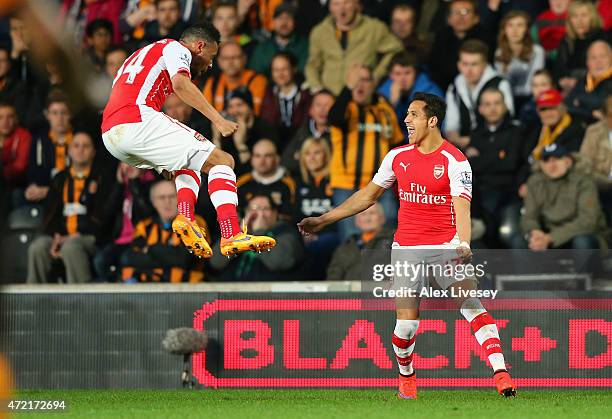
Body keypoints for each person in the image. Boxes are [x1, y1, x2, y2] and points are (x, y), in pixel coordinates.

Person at [298, 93, 516, 399]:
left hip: (446, 244)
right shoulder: (397, 157)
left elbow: (462, 207)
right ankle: (407, 377)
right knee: (407, 326)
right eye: (408, 115)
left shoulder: (455, 160)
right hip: (407, 248)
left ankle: (501, 374)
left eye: (413, 115)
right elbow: (367, 196)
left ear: (432, 120)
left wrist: (463, 243)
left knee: (471, 305)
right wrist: (324, 220)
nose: (406, 120)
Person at [101, 22, 275, 259]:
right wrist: (218, 119)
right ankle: (231, 232)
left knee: (189, 162)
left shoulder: (136, 57)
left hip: (111, 135)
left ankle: (185, 217)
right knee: (223, 160)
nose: (210, 65)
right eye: (211, 57)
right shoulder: (176, 48)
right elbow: (181, 84)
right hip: (137, 120)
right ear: (199, 46)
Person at [327, 64, 404, 239]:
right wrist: (347, 88)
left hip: (379, 185)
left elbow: (397, 144)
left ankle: (384, 267)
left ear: (373, 83)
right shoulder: (346, 107)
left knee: (388, 235)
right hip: (346, 185)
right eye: (355, 81)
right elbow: (334, 118)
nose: (359, 85)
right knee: (350, 238)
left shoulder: (385, 109)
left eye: (364, 80)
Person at [27, 131, 109, 284]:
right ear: (70, 151)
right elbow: (50, 214)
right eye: (76, 145)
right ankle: (35, 302)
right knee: (38, 247)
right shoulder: (60, 179)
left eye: (86, 146)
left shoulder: (102, 178)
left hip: (90, 237)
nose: (80, 150)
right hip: (61, 235)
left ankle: (79, 302)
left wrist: (73, 236)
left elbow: (104, 217)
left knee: (71, 247)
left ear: (93, 152)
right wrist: (56, 237)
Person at [465, 88, 526, 248]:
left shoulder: (517, 132)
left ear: (505, 106)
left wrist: (480, 159)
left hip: (508, 195)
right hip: (480, 197)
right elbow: (469, 165)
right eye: (488, 104)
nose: (493, 108)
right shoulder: (476, 133)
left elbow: (510, 163)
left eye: (497, 103)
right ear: (481, 109)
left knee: (510, 234)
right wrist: (498, 156)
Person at [518, 143, 606, 250]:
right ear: (540, 164)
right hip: (546, 233)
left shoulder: (583, 182)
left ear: (568, 161)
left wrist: (551, 238)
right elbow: (529, 216)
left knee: (583, 242)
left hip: (578, 234)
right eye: (546, 161)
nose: (551, 165)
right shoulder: (535, 182)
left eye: (556, 159)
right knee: (519, 241)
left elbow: (588, 221)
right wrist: (534, 232)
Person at [304, 0, 403, 95]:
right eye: (336, 3)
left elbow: (396, 49)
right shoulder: (320, 31)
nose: (342, 9)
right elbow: (313, 64)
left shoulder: (374, 28)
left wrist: (376, 75)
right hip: (329, 97)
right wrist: (317, 89)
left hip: (360, 95)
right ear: (330, 7)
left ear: (356, 4)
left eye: (346, 2)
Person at [119, 180, 207, 283]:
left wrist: (149, 250)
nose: (167, 202)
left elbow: (184, 259)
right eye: (162, 198)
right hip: (150, 290)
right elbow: (130, 259)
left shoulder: (194, 223)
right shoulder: (145, 226)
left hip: (188, 290)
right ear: (153, 202)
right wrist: (167, 255)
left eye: (172, 196)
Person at [209, 193, 304, 281]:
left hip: (270, 295)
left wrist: (259, 232)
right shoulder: (236, 234)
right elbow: (216, 262)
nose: (260, 214)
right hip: (232, 294)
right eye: (253, 209)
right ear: (246, 213)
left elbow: (279, 262)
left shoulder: (285, 232)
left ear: (275, 213)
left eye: (265, 209)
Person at [445, 39, 514, 149]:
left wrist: (475, 142)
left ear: (485, 65)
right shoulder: (454, 87)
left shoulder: (500, 84)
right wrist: (461, 142)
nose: (469, 70)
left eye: (474, 64)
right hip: (463, 147)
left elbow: (508, 120)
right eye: (465, 64)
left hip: (495, 145)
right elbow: (451, 126)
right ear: (459, 65)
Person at [94, 162, 154, 282]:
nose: (129, 166)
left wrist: (135, 182)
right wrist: (119, 185)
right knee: (100, 260)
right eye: (125, 161)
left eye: (133, 162)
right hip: (120, 240)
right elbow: (106, 216)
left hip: (141, 240)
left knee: (125, 259)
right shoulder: (118, 183)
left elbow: (146, 215)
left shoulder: (151, 181)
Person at [428, 0, 498, 90]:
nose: (460, 17)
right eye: (455, 12)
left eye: (465, 12)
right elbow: (434, 69)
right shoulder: (441, 37)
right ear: (448, 18)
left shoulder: (486, 38)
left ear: (476, 18)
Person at [294, 137, 339, 279]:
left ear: (326, 155)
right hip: (304, 236)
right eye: (307, 154)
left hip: (331, 234)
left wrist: (317, 234)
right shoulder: (297, 183)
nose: (312, 158)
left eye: (317, 153)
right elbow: (294, 215)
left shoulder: (336, 181)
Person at [211, 88, 278, 176]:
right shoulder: (227, 131)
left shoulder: (265, 129)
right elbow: (216, 165)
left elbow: (259, 169)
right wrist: (216, 138)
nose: (235, 111)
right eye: (231, 106)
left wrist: (240, 144)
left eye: (239, 105)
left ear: (250, 107)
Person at [24, 91, 73, 206]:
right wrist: (32, 186)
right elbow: (33, 170)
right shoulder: (39, 140)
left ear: (70, 114)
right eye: (55, 113)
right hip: (43, 194)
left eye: (64, 113)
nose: (60, 118)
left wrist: (50, 192)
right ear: (47, 115)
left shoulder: (79, 139)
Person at [377, 51, 443, 135]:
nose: (402, 79)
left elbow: (433, 128)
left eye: (407, 73)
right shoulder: (383, 92)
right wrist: (392, 103)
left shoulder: (430, 92)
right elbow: (378, 128)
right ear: (391, 75)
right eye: (398, 74)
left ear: (416, 74)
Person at [326, 203, 393, 281]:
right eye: (363, 214)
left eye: (372, 213)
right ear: (356, 221)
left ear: (382, 218)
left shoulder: (394, 241)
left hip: (382, 291)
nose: (367, 218)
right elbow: (333, 278)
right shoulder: (345, 247)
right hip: (350, 293)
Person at [494, 10, 545, 110]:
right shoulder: (499, 53)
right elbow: (501, 82)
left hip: (531, 99)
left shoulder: (537, 51)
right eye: (510, 25)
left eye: (520, 25)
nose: (514, 30)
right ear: (504, 29)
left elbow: (535, 82)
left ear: (526, 29)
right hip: (507, 100)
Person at [555, 0, 609, 94]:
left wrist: (579, 82)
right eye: (575, 16)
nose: (579, 21)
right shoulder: (567, 41)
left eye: (584, 15)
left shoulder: (603, 38)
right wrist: (562, 81)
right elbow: (559, 70)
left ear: (592, 17)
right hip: (570, 89)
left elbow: (605, 70)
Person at [202, 41, 268, 115]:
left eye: (235, 57)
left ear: (244, 59)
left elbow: (256, 114)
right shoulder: (213, 82)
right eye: (226, 58)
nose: (230, 62)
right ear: (219, 61)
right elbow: (205, 114)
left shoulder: (257, 80)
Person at [260, 52, 312, 146]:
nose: (280, 74)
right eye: (276, 70)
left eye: (284, 69)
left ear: (294, 69)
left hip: (302, 142)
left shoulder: (306, 94)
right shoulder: (269, 94)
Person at [236, 138, 296, 219]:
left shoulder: (290, 184)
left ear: (277, 158)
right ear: (252, 159)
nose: (262, 161)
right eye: (257, 156)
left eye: (267, 156)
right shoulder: (241, 183)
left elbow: (292, 216)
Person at [281, 89, 334, 176]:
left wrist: (302, 156)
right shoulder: (303, 130)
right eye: (318, 105)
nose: (322, 110)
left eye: (327, 106)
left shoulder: (341, 133)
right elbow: (286, 160)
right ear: (311, 110)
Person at [248, 3, 309, 77]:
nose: (284, 23)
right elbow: (254, 75)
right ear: (273, 22)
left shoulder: (305, 46)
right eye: (279, 18)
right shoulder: (262, 49)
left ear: (294, 22)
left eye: (288, 18)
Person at [528, 89, 586, 161]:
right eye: (543, 109)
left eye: (552, 108)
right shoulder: (535, 129)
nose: (547, 113)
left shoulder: (576, 130)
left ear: (562, 108)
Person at [579, 95, 612, 215]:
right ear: (603, 116)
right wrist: (608, 183)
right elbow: (584, 165)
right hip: (602, 187)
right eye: (611, 115)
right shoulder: (594, 132)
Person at [565, 40, 612, 123]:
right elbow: (568, 104)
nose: (598, 62)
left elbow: (602, 103)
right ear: (587, 63)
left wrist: (579, 101)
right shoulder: (583, 81)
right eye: (593, 58)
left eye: (603, 56)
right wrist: (591, 113)